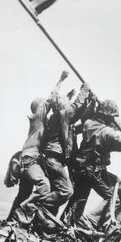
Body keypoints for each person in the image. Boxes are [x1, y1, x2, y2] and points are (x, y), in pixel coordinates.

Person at [62, 99, 121, 230]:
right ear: (110, 117)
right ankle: (90, 222)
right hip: (93, 169)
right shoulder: (109, 133)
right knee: (117, 198)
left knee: (81, 196)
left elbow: (80, 125)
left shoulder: (89, 123)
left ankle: (67, 222)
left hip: (81, 167)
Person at [11, 71, 69, 223]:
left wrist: (67, 97)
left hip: (29, 159)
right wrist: (60, 80)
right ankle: (25, 209)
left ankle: (11, 220)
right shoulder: (38, 118)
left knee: (23, 192)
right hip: (31, 159)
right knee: (44, 186)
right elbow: (50, 100)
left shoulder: (40, 122)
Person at [39, 82, 92, 215]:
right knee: (66, 191)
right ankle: (35, 204)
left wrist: (91, 104)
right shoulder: (62, 115)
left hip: (53, 160)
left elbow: (78, 119)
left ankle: (45, 220)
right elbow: (75, 108)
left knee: (55, 191)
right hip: (54, 160)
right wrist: (84, 90)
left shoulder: (61, 120)